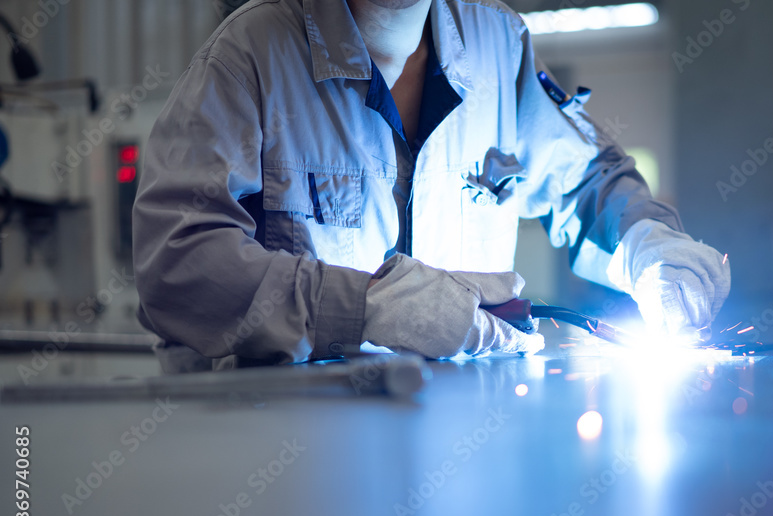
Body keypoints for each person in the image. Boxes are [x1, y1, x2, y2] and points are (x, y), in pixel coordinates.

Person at [133, 0, 730, 372]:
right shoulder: (252, 54)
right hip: (283, 457)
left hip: (459, 455)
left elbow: (586, 182)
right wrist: (364, 309)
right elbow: (178, 263)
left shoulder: (500, 45)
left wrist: (647, 244)